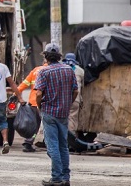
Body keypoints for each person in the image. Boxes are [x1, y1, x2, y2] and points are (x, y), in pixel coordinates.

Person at [33, 43, 78, 186]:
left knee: (52, 145)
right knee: (63, 145)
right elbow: (75, 91)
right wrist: (68, 103)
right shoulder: (69, 70)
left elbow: (39, 93)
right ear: (59, 56)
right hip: (63, 112)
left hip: (49, 112)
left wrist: (40, 106)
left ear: (46, 56)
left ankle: (57, 178)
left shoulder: (44, 72)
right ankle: (66, 178)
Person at [18, 58, 48, 152]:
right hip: (46, 103)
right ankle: (48, 142)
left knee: (34, 125)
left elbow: (24, 84)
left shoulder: (35, 70)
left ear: (43, 62)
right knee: (49, 124)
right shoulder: (51, 70)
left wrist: (15, 94)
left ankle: (28, 141)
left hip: (33, 102)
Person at [62, 53, 85, 137]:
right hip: (75, 99)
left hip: (61, 99)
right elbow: (82, 85)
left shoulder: (60, 69)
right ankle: (71, 139)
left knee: (61, 119)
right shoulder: (80, 71)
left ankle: (62, 138)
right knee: (72, 119)